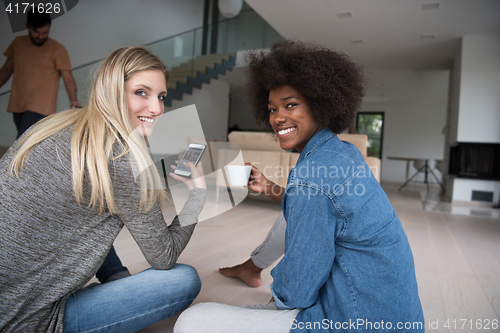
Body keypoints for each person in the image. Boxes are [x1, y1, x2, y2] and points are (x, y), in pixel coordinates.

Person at [174, 40, 424, 333]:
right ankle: (251, 269)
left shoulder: (311, 176)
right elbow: (320, 205)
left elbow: (297, 291)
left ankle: (251, 274)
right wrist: (268, 186)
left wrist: (277, 301)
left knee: (192, 321)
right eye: (271, 109)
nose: (278, 118)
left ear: (320, 104)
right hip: (396, 319)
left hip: (353, 321)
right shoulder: (342, 153)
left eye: (291, 105)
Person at [0, 46, 206, 332]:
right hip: (25, 320)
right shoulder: (122, 159)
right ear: (113, 90)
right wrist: (196, 195)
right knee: (184, 279)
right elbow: (163, 256)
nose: (157, 108)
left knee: (90, 210)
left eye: (161, 97)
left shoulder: (53, 125)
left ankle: (115, 274)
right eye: (141, 92)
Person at [0, 11, 81, 139]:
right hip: (18, 103)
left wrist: (73, 101)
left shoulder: (57, 49)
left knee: (23, 142)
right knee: (25, 141)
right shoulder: (17, 43)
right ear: (28, 26)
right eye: (36, 32)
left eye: (45, 33)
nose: (40, 36)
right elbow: (5, 71)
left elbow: (68, 78)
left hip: (41, 107)